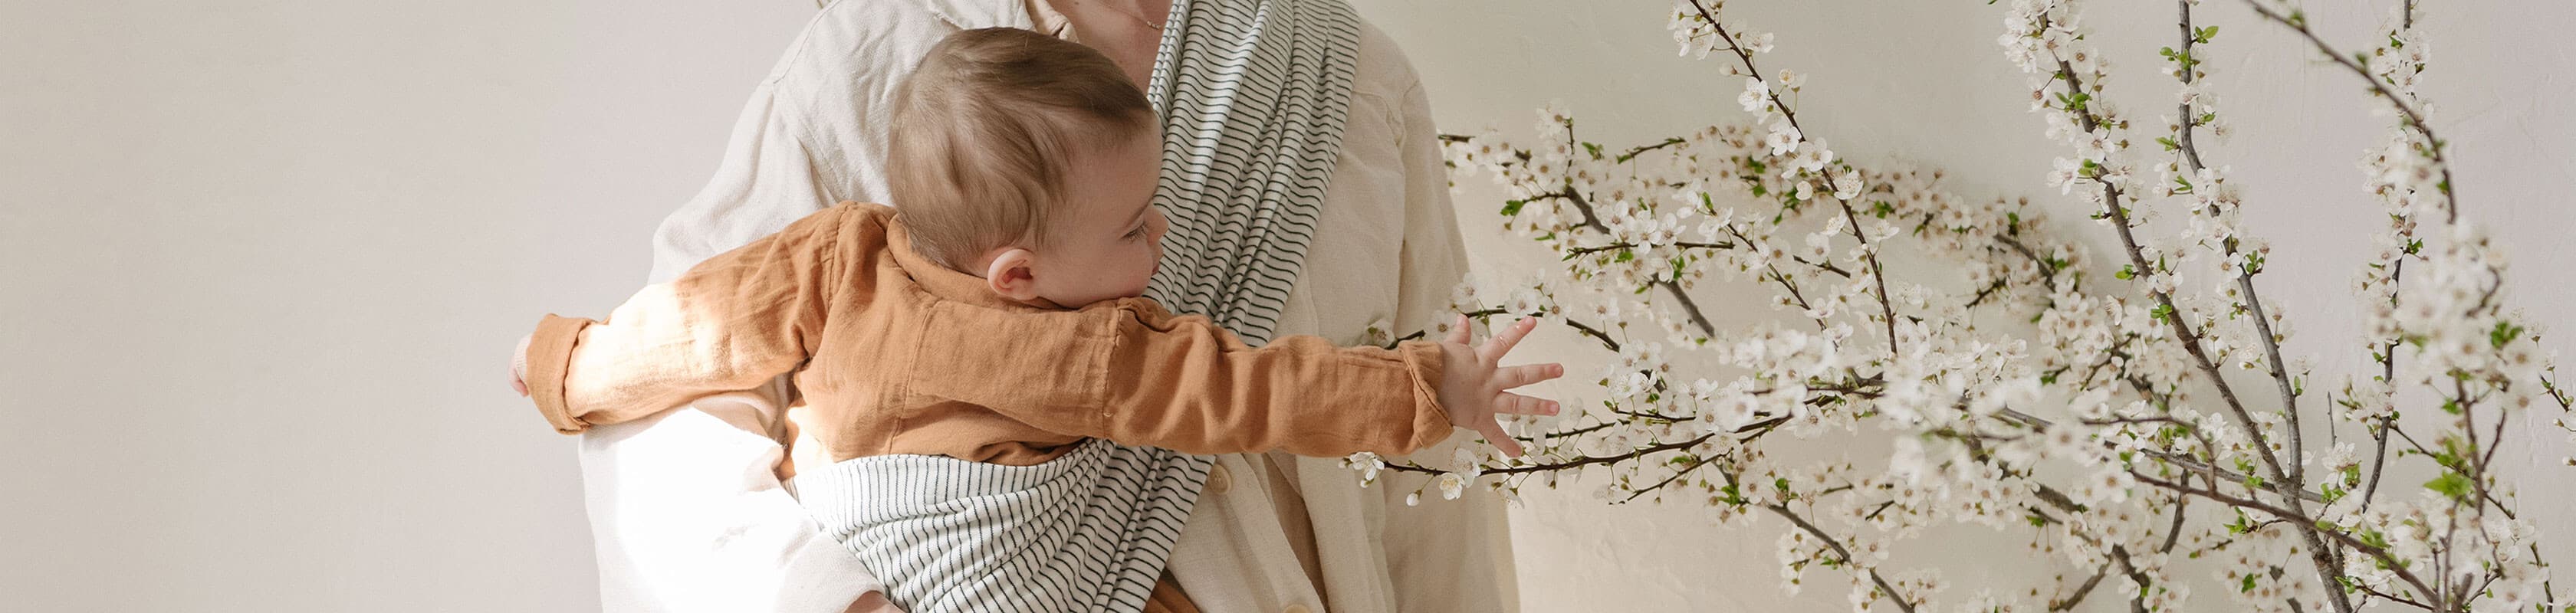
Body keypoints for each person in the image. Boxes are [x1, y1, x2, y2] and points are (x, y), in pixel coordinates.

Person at [511, 28, 1556, 613]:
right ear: (1014, 271)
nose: (1161, 248)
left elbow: (1439, 513)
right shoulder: (867, 60)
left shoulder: (1346, 77)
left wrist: (564, 363)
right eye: (1139, 227)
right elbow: (673, 431)